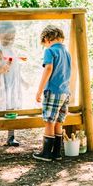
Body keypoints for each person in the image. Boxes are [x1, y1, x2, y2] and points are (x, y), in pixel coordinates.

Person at [33, 25, 71, 161]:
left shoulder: (50, 51)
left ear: (47, 39)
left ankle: (46, 154)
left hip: (53, 91)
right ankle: (57, 153)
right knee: (58, 122)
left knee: (49, 121)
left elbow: (48, 69)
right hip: (65, 91)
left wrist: (39, 90)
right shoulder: (66, 52)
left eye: (44, 43)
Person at [0, 21, 27, 148]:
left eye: (11, 38)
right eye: (6, 38)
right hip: (1, 84)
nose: (9, 40)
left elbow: (16, 70)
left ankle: (11, 136)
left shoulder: (13, 51)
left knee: (11, 109)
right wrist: (6, 66)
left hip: (12, 85)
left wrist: (23, 81)